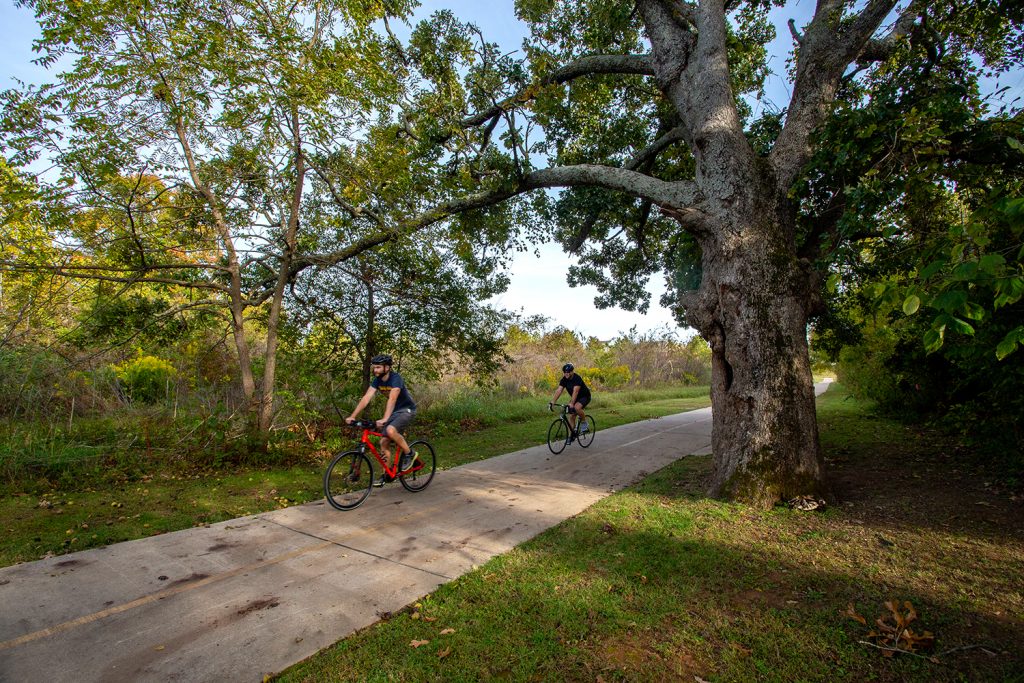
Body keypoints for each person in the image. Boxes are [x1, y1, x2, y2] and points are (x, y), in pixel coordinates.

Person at [346, 354, 418, 472]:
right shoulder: (377, 381)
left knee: (390, 430)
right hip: (395, 411)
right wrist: (353, 416)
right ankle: (387, 473)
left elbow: (392, 399)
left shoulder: (396, 378)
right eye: (374, 367)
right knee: (383, 442)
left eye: (378, 367)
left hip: (407, 410)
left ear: (387, 367)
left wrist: (385, 418)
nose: (375, 370)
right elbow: (366, 398)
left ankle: (409, 454)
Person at [549, 363, 591, 442]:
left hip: (584, 396)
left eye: (568, 372)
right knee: (571, 416)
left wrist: (572, 403)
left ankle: (584, 423)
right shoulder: (564, 379)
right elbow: (559, 390)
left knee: (576, 408)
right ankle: (571, 436)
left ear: (572, 372)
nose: (566, 373)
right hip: (575, 398)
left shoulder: (577, 378)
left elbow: (575, 391)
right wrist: (553, 402)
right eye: (565, 372)